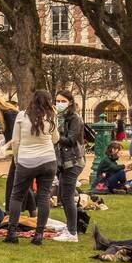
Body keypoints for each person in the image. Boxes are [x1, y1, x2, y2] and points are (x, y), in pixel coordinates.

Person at [0, 90, 59, 245]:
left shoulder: (22, 115)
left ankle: (12, 232)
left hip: (26, 160)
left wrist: (17, 158)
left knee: (16, 195)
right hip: (48, 160)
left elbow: (15, 141)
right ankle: (38, 234)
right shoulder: (51, 116)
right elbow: (56, 138)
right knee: (43, 197)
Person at [53, 89, 85, 241]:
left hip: (73, 161)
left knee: (67, 196)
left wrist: (55, 136)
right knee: (63, 196)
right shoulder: (58, 117)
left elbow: (71, 140)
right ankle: (70, 227)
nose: (59, 104)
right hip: (62, 162)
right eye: (57, 101)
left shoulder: (75, 118)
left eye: (62, 101)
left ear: (70, 102)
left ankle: (72, 232)